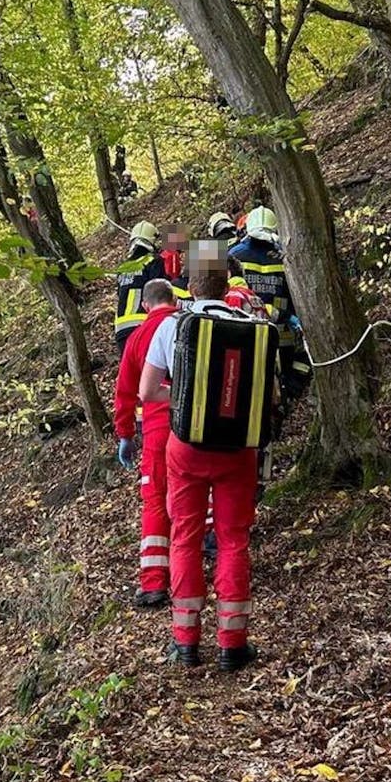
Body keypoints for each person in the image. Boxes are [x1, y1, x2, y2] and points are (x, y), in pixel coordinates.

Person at [138, 263, 264, 672]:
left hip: (186, 449)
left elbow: (147, 391)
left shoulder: (172, 326)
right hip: (237, 449)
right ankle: (232, 644)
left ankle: (185, 642)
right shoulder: (251, 324)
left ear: (188, 287)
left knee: (186, 539)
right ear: (226, 285)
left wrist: (186, 403)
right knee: (232, 540)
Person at [112, 278, 179, 609]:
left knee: (156, 501)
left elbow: (125, 392)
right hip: (194, 426)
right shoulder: (188, 326)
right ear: (174, 299)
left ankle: (154, 584)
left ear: (144, 305)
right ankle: (197, 567)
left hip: (156, 429)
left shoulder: (137, 337)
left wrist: (125, 434)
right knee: (195, 497)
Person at [229, 206, 311, 398]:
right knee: (279, 384)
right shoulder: (285, 257)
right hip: (282, 331)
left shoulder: (231, 254)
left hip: (245, 331)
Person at [114, 222, 165, 353]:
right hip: (143, 326)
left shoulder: (123, 268)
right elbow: (160, 293)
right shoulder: (153, 261)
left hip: (121, 330)